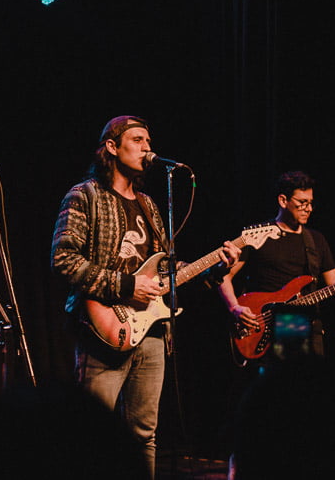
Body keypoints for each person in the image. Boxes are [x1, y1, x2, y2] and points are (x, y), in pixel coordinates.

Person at [50, 115, 240, 478]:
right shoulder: (85, 195)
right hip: (102, 329)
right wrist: (126, 286)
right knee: (92, 436)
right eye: (137, 140)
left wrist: (215, 267)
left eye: (149, 141)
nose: (147, 147)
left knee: (144, 434)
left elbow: (168, 271)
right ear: (112, 146)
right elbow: (63, 259)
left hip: (150, 333)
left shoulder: (150, 205)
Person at [216, 170, 335, 360]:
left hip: (302, 326)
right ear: (283, 201)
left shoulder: (316, 240)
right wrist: (235, 307)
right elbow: (224, 276)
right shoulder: (258, 236)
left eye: (311, 203)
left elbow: (334, 282)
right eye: (302, 202)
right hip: (261, 326)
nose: (309, 208)